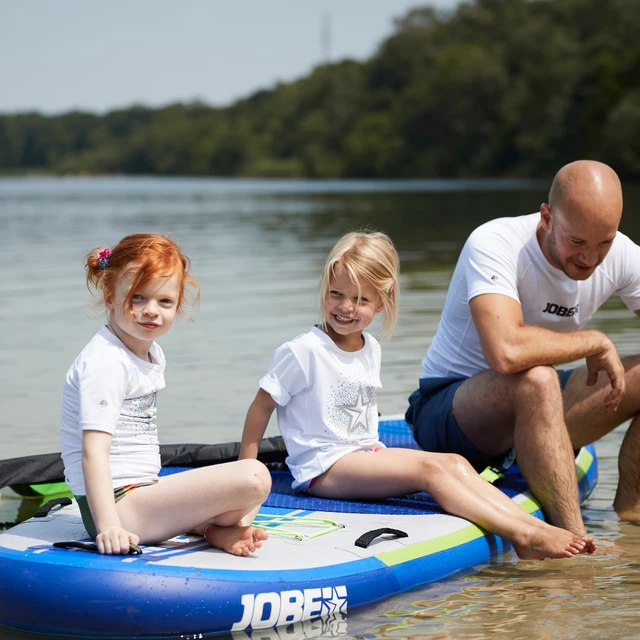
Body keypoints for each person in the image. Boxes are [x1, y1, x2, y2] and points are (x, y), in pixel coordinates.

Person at [240, 230, 594, 560]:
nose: (346, 307)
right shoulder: (303, 351)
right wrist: (247, 474)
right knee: (429, 469)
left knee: (454, 462)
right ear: (325, 289)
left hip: (361, 456)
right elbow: (261, 407)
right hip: (322, 469)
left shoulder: (370, 347)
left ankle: (537, 527)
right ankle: (522, 536)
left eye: (361, 299)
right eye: (337, 294)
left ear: (381, 302)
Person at [406, 159, 640, 536]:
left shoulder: (622, 254)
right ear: (546, 218)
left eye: (604, 244)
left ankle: (631, 516)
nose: (590, 258)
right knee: (536, 378)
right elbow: (505, 352)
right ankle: (576, 545)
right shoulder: (495, 242)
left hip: (537, 407)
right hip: (449, 413)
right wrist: (593, 340)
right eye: (576, 242)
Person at [60, 233, 271, 556]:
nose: (151, 311)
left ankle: (211, 528)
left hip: (144, 492)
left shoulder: (150, 353)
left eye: (164, 301)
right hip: (118, 506)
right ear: (109, 296)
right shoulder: (106, 362)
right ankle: (210, 525)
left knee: (247, 483)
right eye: (138, 298)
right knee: (255, 475)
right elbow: (94, 452)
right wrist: (108, 526)